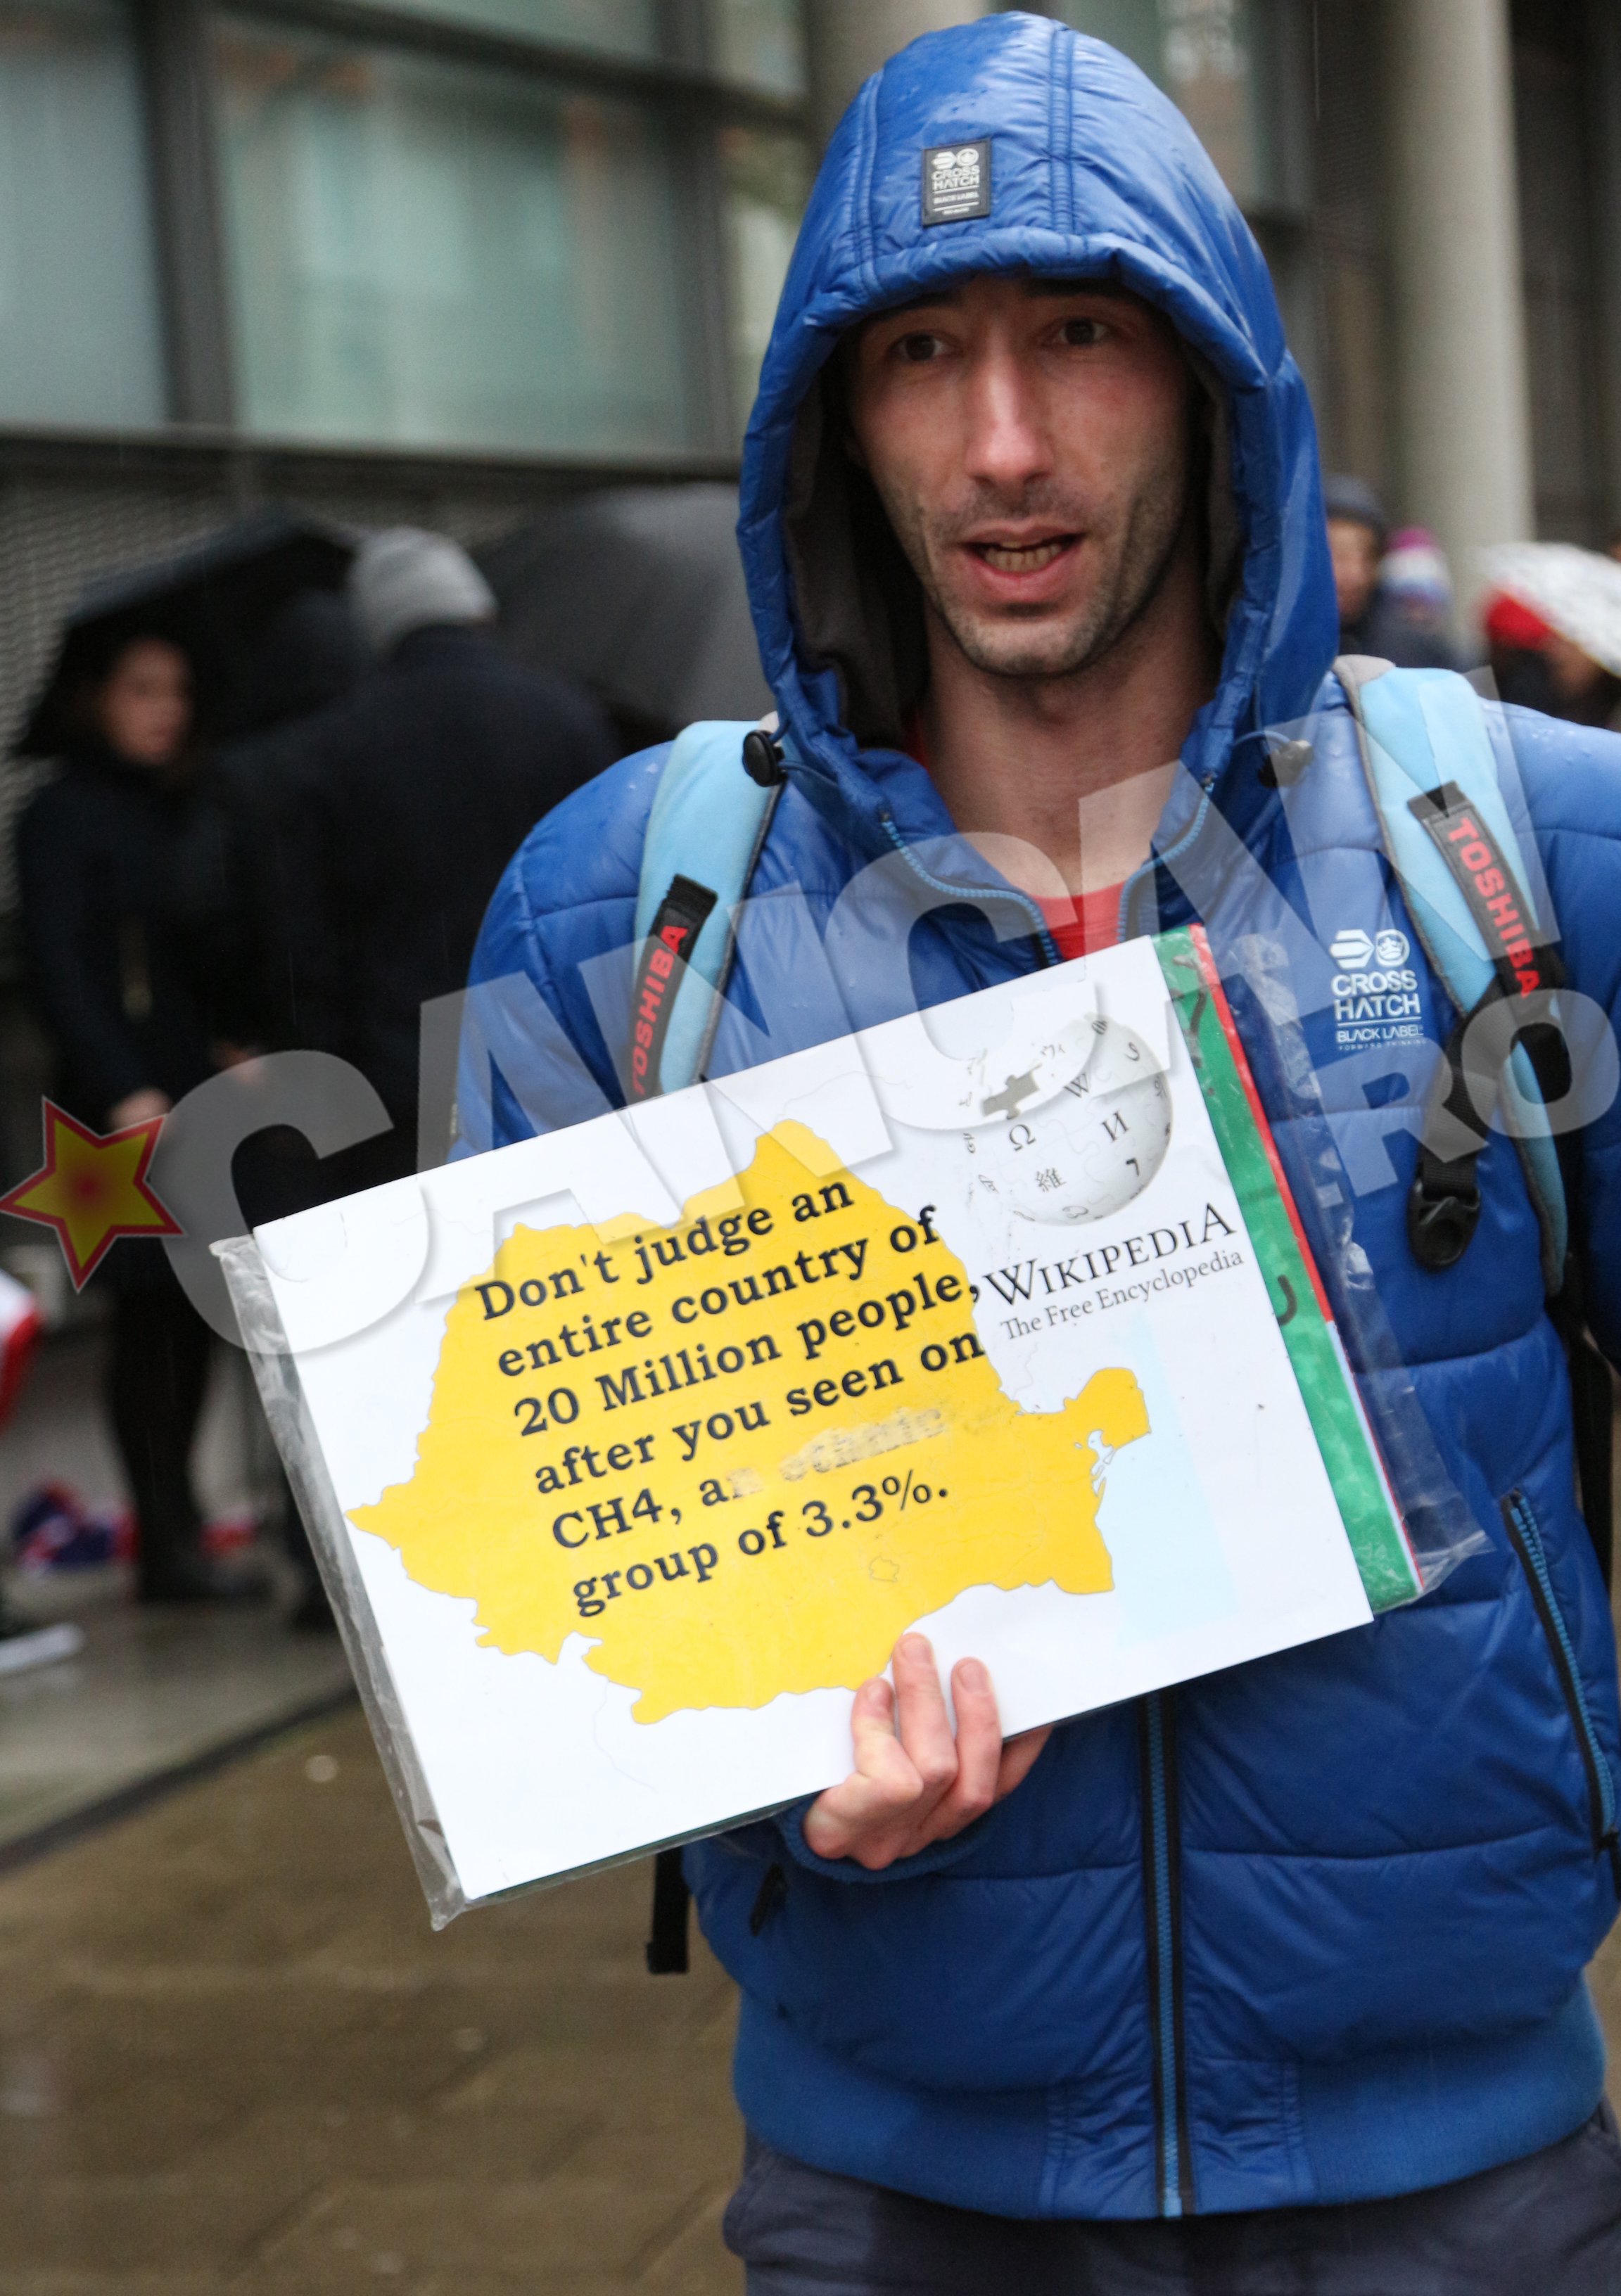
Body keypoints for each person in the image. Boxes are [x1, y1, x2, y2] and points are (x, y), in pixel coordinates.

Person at [466, 18, 1621, 2289]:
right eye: (924, 354)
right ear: (831, 419)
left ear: (1212, 386)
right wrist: (768, 1792)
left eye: (1081, 335)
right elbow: (561, 1564)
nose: (1003, 442)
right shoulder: (630, 900)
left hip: (1460, 2175)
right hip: (895, 2183)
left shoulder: (1522, 847)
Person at [267, 529, 618, 1194]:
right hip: (556, 1059)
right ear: (476, 608)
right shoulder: (569, 718)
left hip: (400, 1079)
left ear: (376, 625)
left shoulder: (327, 751)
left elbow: (306, 946)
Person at [15, 628, 254, 1602]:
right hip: (113, 1120)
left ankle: (182, 1527)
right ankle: (164, 1539)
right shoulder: (62, 819)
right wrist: (122, 1085)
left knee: (190, 1320)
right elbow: (60, 967)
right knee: (149, 1323)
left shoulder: (186, 806)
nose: (166, 708)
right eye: (142, 688)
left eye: (179, 688)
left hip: (191, 1099)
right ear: (95, 698)